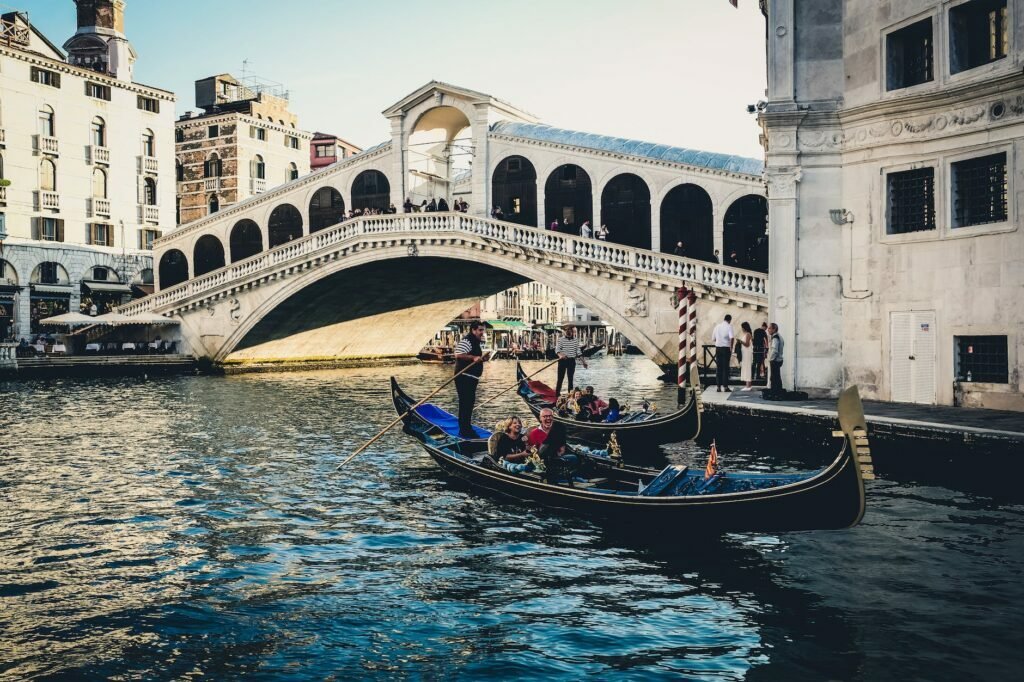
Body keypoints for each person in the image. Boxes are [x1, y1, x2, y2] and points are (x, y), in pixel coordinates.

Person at [453, 321, 488, 438]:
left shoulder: (475, 342)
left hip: (471, 378)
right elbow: (458, 354)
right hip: (463, 377)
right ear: (473, 330)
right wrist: (473, 358)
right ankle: (464, 430)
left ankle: (466, 427)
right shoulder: (467, 340)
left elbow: (475, 358)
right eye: (480, 330)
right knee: (465, 403)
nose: (482, 333)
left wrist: (482, 359)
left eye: (482, 330)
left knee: (469, 403)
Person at [555, 326, 587, 395]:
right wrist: (561, 355)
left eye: (569, 330)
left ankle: (570, 395)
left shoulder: (575, 340)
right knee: (560, 379)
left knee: (570, 379)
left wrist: (584, 362)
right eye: (567, 330)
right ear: (565, 331)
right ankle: (557, 395)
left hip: (571, 361)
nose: (568, 331)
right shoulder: (561, 339)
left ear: (572, 332)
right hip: (562, 361)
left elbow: (578, 352)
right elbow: (557, 350)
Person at [712, 314, 735, 393]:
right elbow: (732, 338)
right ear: (729, 320)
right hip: (726, 349)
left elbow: (713, 338)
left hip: (718, 348)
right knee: (725, 368)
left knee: (719, 368)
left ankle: (718, 387)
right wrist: (731, 347)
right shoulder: (729, 326)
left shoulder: (717, 327)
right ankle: (725, 387)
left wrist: (719, 341)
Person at [767, 322, 785, 395]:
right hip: (779, 360)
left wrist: (770, 359)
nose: (768, 330)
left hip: (775, 360)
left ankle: (775, 393)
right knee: (777, 378)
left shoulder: (775, 338)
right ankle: (778, 392)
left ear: (774, 329)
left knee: (774, 378)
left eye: (770, 328)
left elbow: (774, 350)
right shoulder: (779, 336)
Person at [737, 321, 754, 390]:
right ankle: (748, 385)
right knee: (746, 367)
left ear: (744, 328)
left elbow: (747, 344)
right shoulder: (747, 334)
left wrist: (740, 341)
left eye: (742, 327)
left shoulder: (748, 334)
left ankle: (748, 386)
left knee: (747, 367)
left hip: (747, 353)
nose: (742, 329)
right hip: (745, 353)